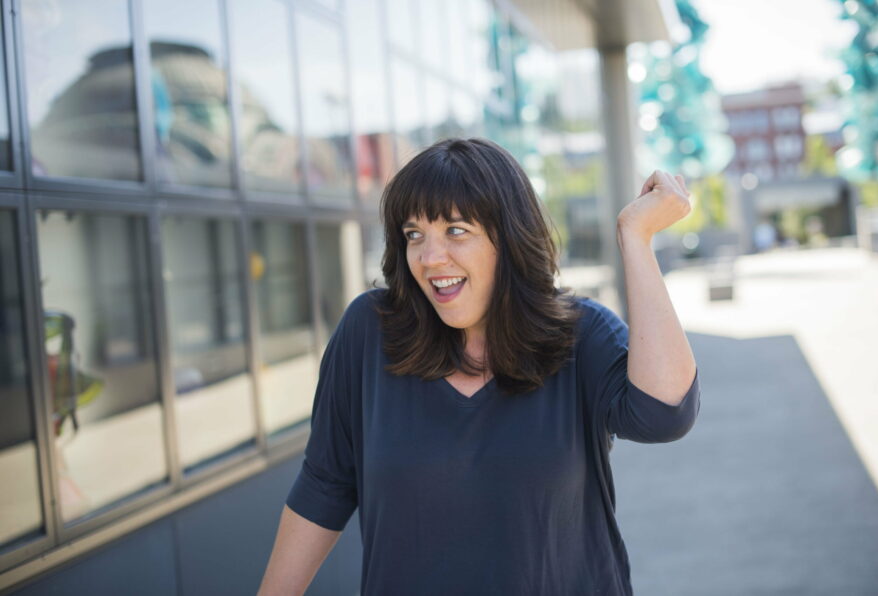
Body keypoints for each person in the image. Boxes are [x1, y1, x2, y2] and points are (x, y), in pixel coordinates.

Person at [258, 138, 701, 595]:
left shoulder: (580, 334)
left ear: (507, 240)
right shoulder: (369, 332)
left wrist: (636, 238)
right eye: (414, 234)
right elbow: (325, 485)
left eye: (456, 230)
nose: (430, 258)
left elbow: (665, 412)